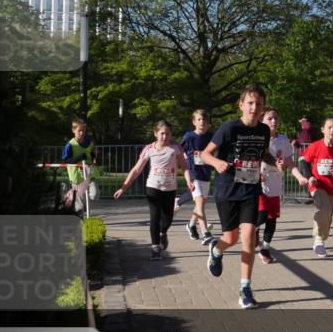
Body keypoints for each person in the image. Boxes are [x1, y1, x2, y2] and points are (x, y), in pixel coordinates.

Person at [201, 84, 273, 309]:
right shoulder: (229, 128)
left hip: (251, 188)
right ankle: (215, 250)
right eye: (250, 103)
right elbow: (205, 154)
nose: (254, 107)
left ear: (262, 108)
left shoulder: (264, 131)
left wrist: (274, 161)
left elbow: (263, 155)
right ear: (241, 105)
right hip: (227, 189)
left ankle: (245, 288)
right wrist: (217, 162)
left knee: (249, 235)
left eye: (258, 104)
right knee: (230, 238)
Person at [114, 121, 194, 261]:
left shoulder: (175, 148)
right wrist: (124, 187)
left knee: (167, 219)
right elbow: (136, 169)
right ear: (156, 133)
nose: (165, 136)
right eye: (162, 133)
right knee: (154, 217)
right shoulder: (149, 149)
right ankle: (155, 248)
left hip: (170, 189)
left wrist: (189, 181)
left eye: (168, 133)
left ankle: (163, 233)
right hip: (153, 187)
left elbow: (184, 166)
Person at [293, 117, 333, 257]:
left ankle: (321, 239)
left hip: (331, 188)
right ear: (323, 130)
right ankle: (318, 240)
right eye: (329, 127)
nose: (332, 130)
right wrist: (309, 176)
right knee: (324, 208)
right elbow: (304, 161)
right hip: (317, 185)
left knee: (328, 216)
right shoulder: (316, 146)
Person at [258, 107, 295, 264]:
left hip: (275, 185)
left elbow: (289, 162)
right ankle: (252, 232)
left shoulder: (283, 140)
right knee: (261, 216)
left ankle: (265, 248)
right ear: (261, 120)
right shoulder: (258, 138)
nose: (273, 121)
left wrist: (300, 177)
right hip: (258, 185)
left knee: (272, 219)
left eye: (275, 118)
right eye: (269, 118)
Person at [180, 109, 214, 245]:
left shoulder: (211, 137)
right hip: (193, 173)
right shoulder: (189, 136)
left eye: (205, 120)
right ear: (194, 122)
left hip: (206, 173)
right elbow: (179, 151)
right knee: (199, 203)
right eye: (199, 119)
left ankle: (191, 225)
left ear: (209, 123)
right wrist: (186, 162)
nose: (202, 122)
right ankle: (206, 233)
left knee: (201, 204)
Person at [62, 118, 96, 211]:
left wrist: (94, 158)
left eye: (83, 131)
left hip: (89, 173)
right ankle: (81, 218)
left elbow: (93, 153)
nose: (82, 133)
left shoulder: (89, 142)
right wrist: (79, 158)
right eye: (79, 130)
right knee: (79, 205)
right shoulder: (70, 145)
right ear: (73, 130)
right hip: (76, 176)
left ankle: (82, 201)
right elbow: (65, 161)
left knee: (94, 194)